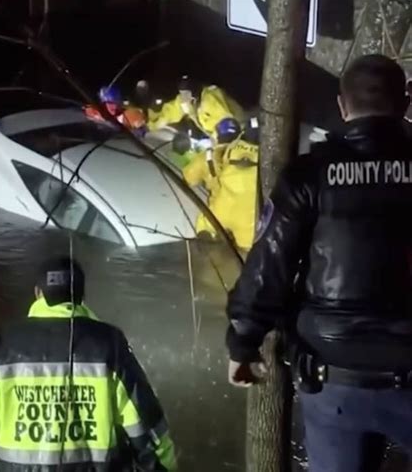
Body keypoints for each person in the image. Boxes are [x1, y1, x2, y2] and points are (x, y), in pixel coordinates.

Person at [226, 54, 412, 472]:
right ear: (406, 103)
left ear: (343, 107)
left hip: (334, 377)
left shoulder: (311, 174)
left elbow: (270, 260)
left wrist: (243, 339)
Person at [0, 256, 177, 471]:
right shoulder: (109, 343)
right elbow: (151, 436)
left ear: (37, 293)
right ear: (81, 296)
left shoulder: (4, 345)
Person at [185, 118, 259, 250]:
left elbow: (188, 177)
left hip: (221, 205)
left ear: (218, 135)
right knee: (247, 247)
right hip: (249, 214)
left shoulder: (211, 154)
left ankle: (207, 247)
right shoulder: (266, 156)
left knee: (205, 222)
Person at [147, 76, 244, 138]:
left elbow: (227, 123)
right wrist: (152, 125)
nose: (184, 97)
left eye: (186, 94)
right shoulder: (186, 101)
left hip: (237, 130)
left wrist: (219, 141)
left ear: (194, 92)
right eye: (182, 93)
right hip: (214, 135)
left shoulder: (209, 99)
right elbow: (170, 111)